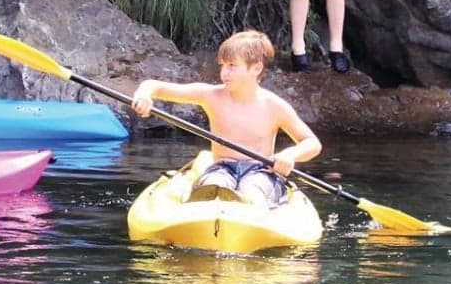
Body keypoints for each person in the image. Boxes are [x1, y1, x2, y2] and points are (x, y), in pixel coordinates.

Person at [130, 30, 322, 207]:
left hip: (261, 171)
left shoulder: (275, 106)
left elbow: (312, 143)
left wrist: (290, 155)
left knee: (253, 190)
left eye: (232, 66)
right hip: (222, 168)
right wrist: (144, 95)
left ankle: (248, 207)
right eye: (222, 65)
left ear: (255, 68)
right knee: (215, 186)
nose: (224, 73)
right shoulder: (211, 95)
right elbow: (154, 86)